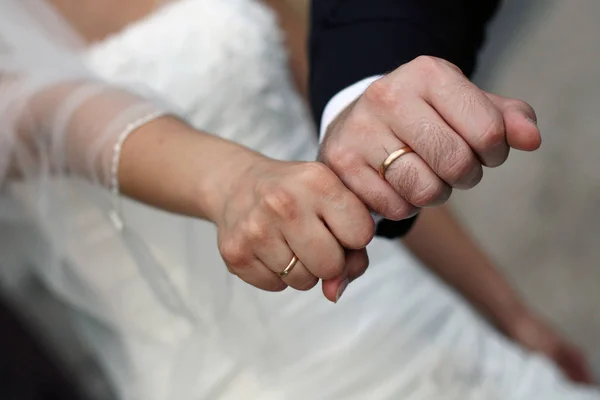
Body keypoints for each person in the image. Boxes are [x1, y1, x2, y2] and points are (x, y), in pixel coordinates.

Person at [0, 0, 596, 399]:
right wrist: (235, 181)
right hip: (240, 379)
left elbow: (358, 144)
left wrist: (507, 310)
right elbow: (58, 119)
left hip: (411, 323)